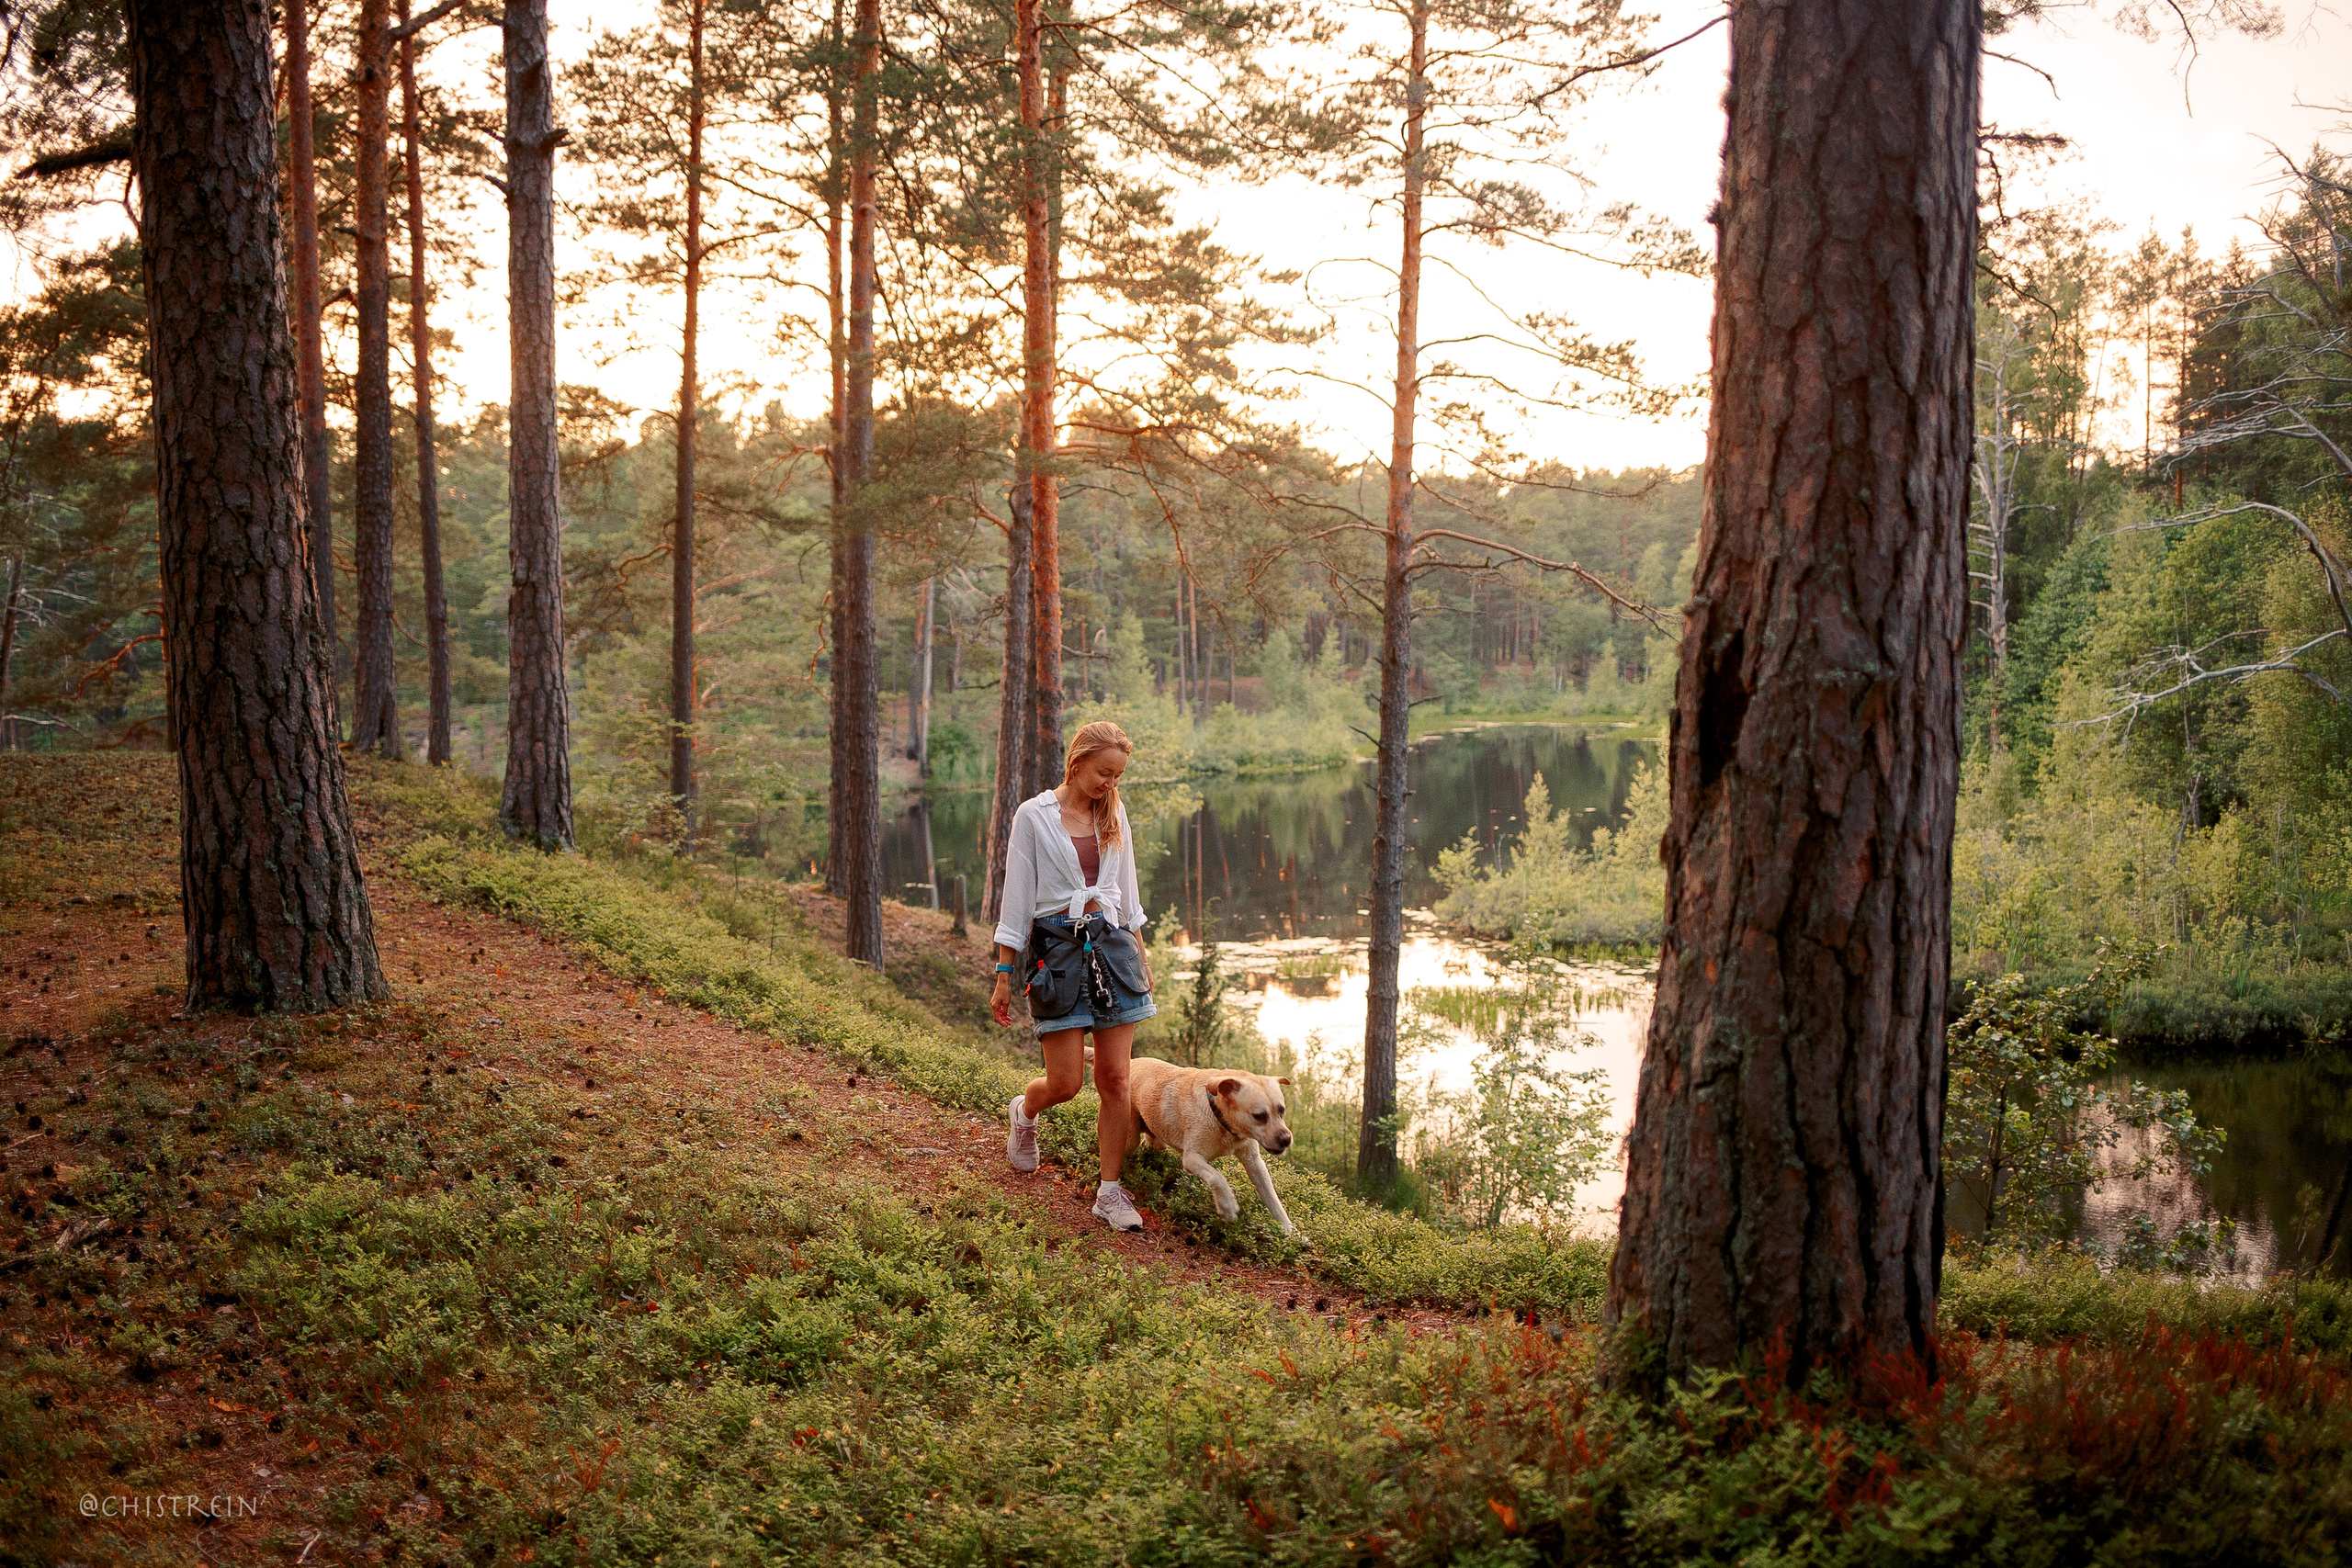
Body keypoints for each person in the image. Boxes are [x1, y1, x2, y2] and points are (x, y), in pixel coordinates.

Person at [991, 720, 1157, 1230]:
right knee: (1065, 1083)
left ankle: (1109, 1191)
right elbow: (1017, 899)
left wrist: (1141, 954)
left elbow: (1126, 892)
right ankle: (1025, 1112)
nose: (1111, 783)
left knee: (1116, 1079)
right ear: (1078, 761)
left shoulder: (1114, 812)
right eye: (1104, 772)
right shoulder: (1033, 816)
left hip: (1113, 949)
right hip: (1058, 955)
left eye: (1118, 775)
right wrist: (1004, 972)